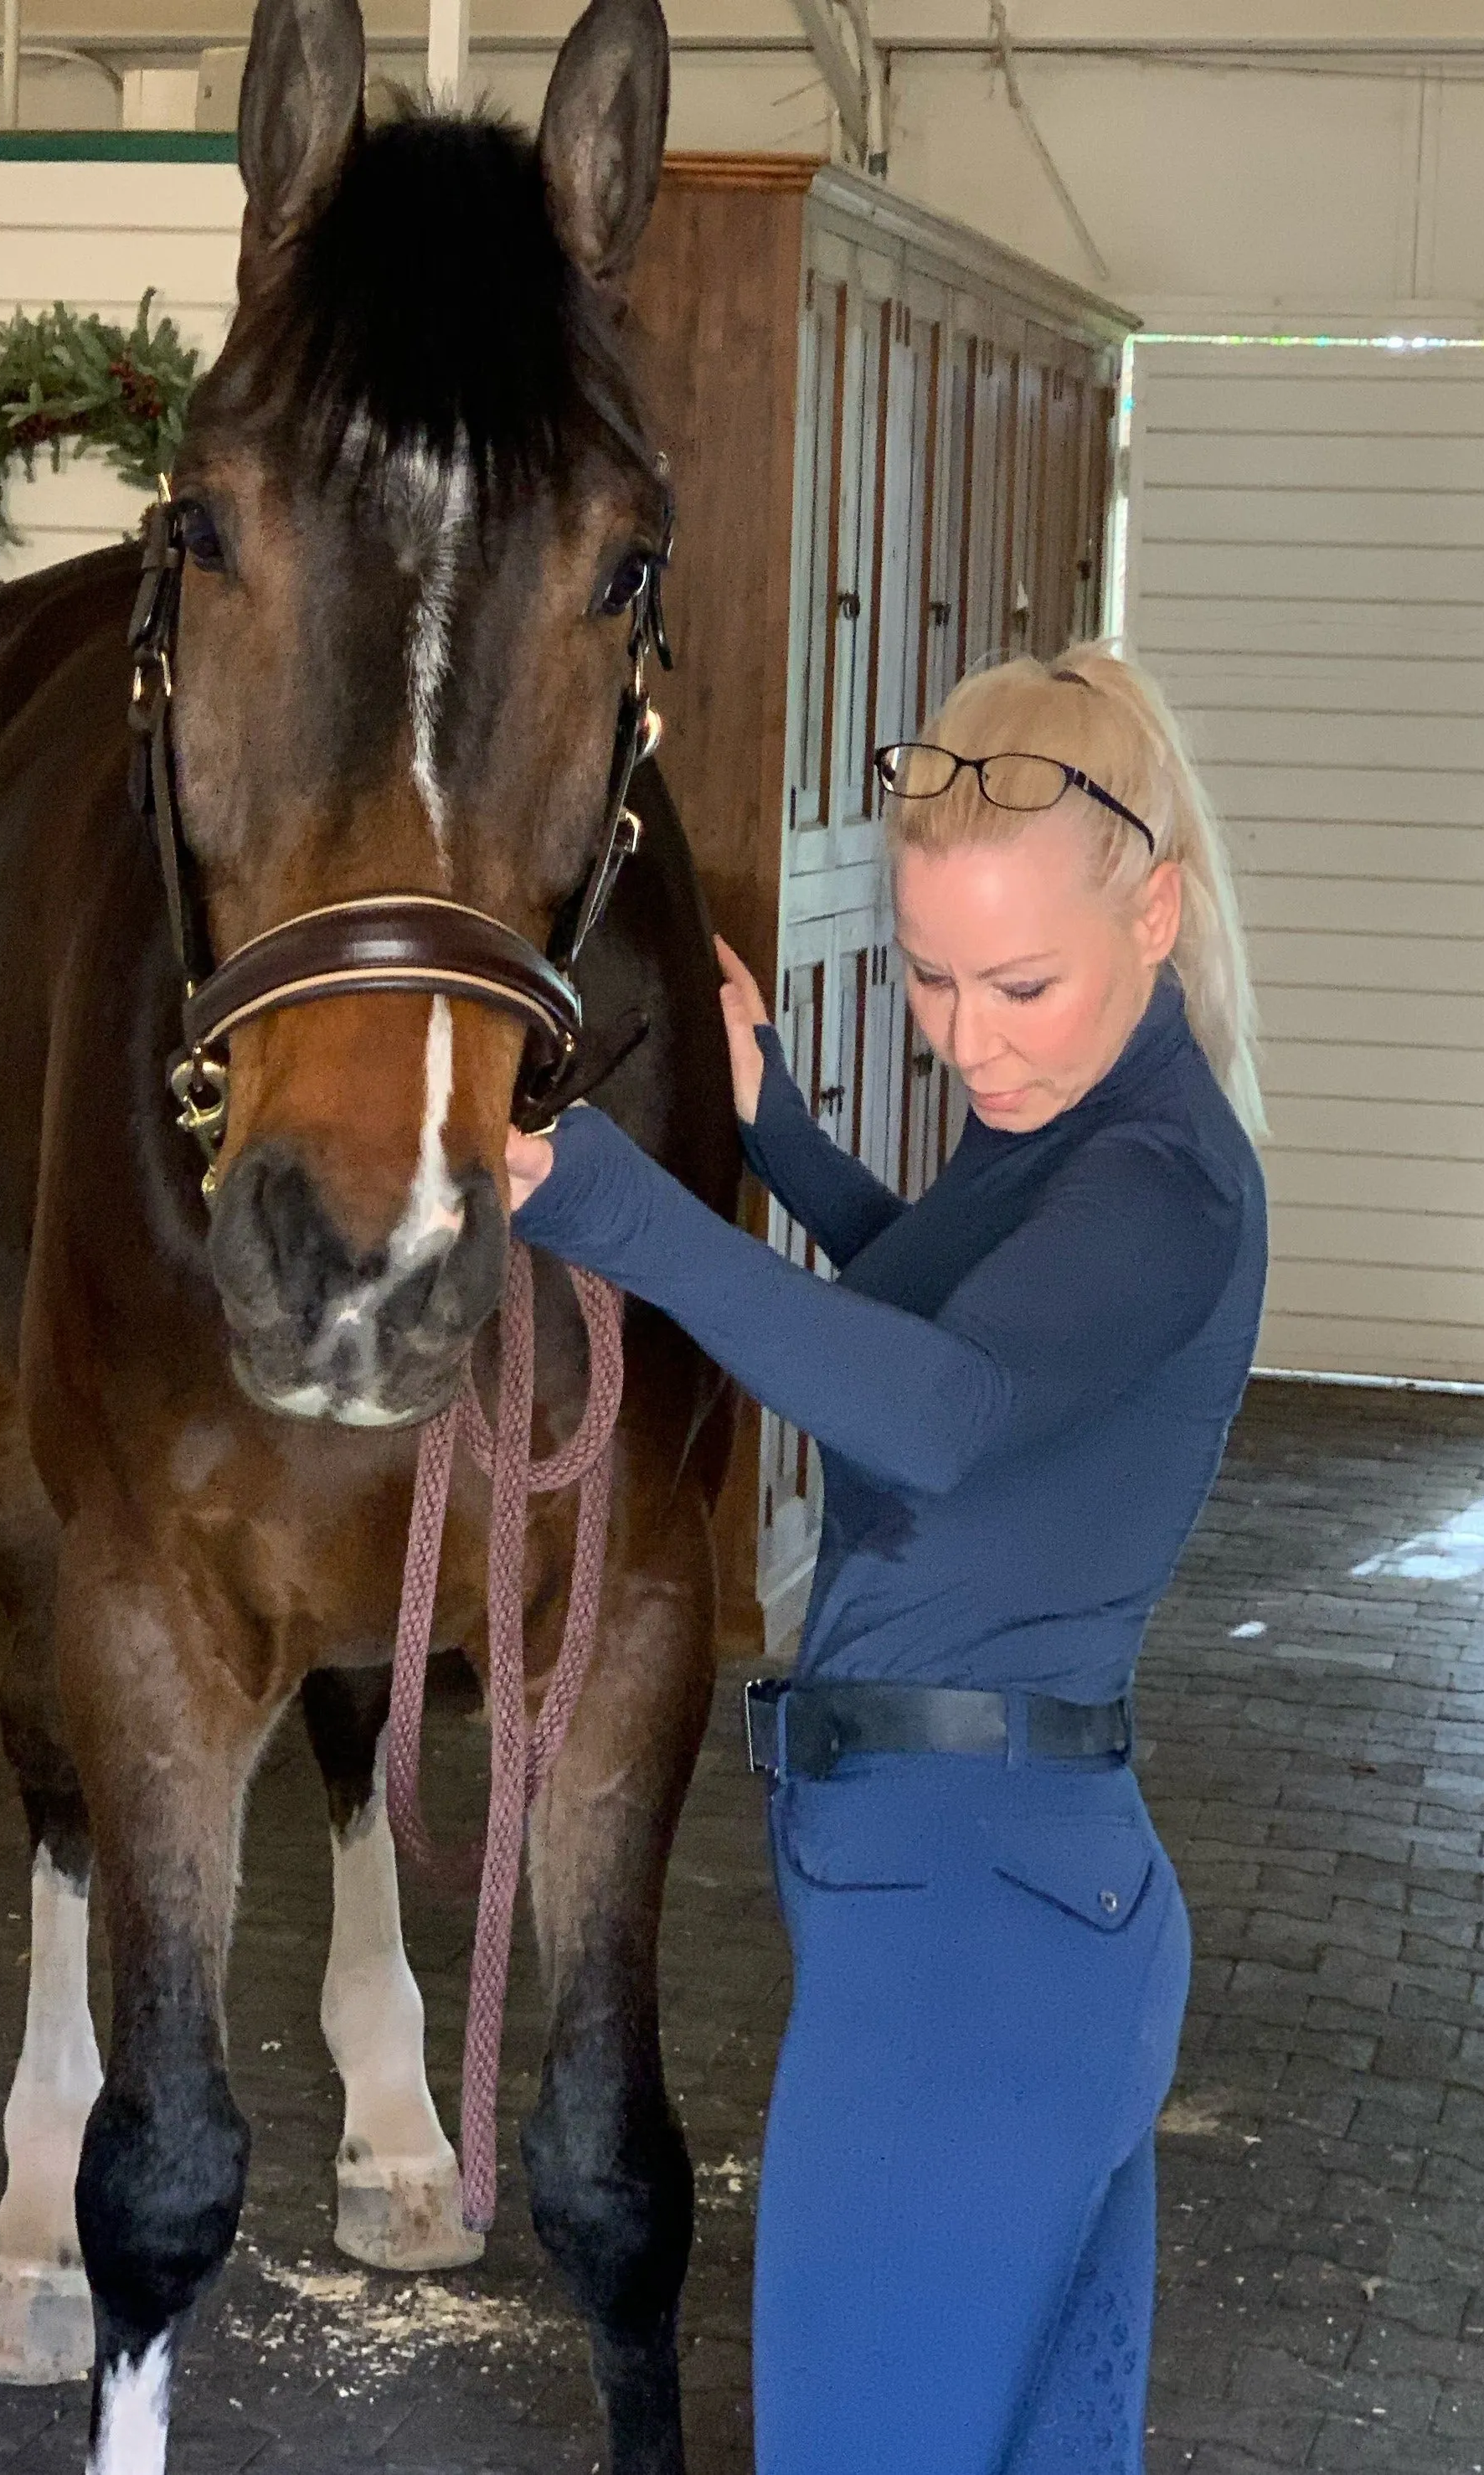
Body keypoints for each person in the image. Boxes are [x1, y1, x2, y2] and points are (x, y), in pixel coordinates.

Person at [507, 645, 1269, 2472]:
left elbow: (933, 1405)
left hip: (974, 1935)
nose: (967, 1034)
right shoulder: (1077, 1135)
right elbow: (954, 1302)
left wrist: (622, 1205)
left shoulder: (1163, 1179)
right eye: (929, 978)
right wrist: (785, 1141)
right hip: (987, 1904)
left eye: (1019, 982)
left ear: (1153, 911)